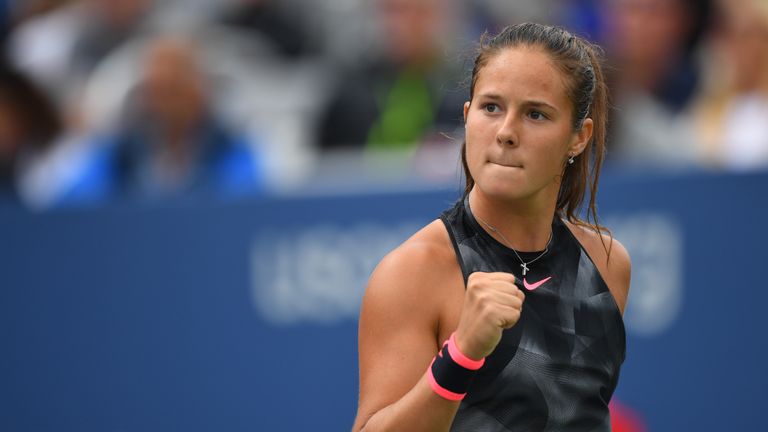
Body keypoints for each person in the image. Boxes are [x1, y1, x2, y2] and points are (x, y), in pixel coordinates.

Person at [354, 23, 630, 431]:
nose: (505, 132)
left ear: (579, 137)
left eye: (535, 114)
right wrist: (461, 355)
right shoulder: (411, 273)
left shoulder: (608, 264)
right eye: (491, 108)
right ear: (467, 117)